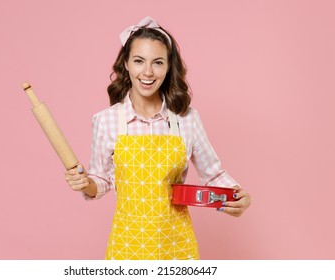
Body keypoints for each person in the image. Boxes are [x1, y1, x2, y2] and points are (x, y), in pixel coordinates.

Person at [65, 16, 251, 260]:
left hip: (176, 244)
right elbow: (100, 179)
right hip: (127, 243)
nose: (148, 72)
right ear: (126, 65)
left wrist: (238, 197)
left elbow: (214, 174)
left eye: (158, 62)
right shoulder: (105, 120)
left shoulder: (187, 119)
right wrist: (85, 183)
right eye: (139, 61)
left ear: (168, 67)